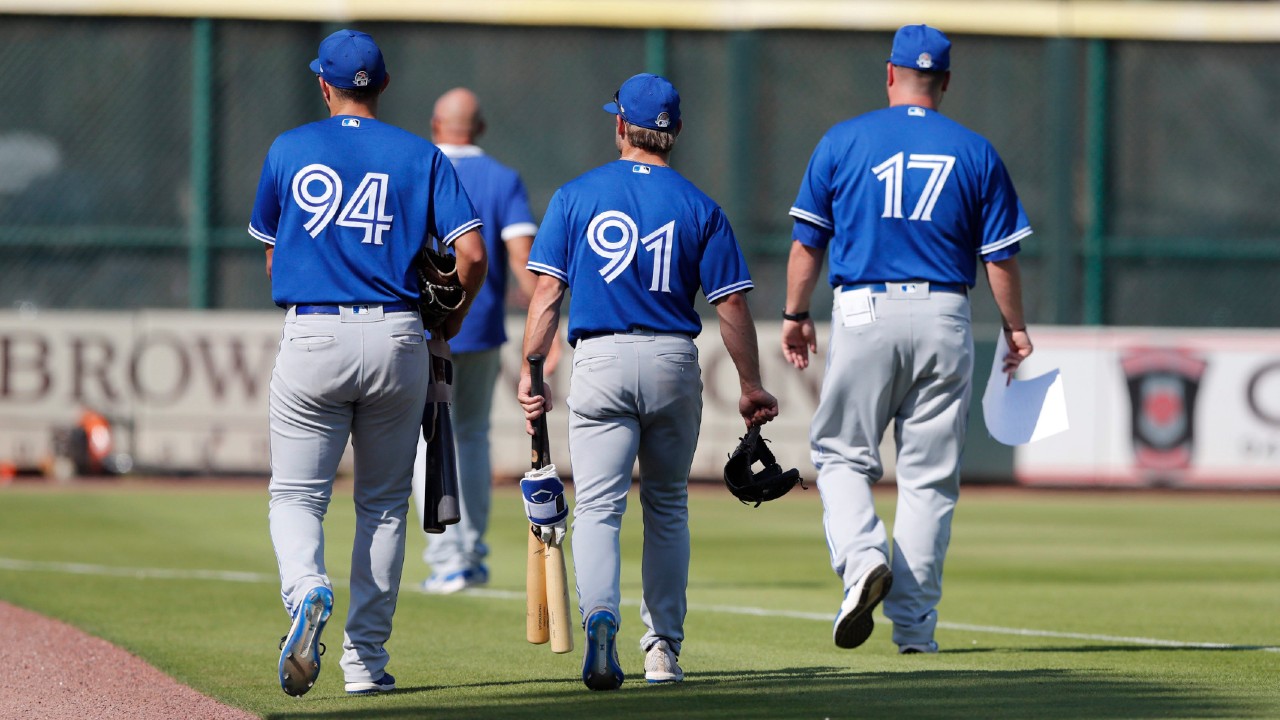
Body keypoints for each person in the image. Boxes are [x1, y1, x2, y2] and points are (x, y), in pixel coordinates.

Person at [518, 73, 779, 691]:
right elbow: (732, 306)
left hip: (602, 358)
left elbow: (548, 293)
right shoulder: (699, 205)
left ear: (619, 126)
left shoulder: (577, 195)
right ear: (676, 133)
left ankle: (600, 619)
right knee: (666, 510)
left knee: (600, 510)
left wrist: (532, 369)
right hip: (670, 359)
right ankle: (661, 648)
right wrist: (750, 385)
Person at [781, 25, 1034, 655]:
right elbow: (999, 258)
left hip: (865, 307)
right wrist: (1016, 328)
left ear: (890, 74)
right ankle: (915, 632)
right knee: (929, 480)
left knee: (841, 455)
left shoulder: (844, 139)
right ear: (945, 82)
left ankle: (864, 557)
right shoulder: (976, 151)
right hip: (947, 311)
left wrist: (794, 312)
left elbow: (808, 241)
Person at [248, 29, 487, 697]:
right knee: (382, 505)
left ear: (324, 84)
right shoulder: (423, 154)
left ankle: (307, 592)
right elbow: (470, 256)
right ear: (381, 86)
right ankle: (365, 666)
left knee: (297, 496)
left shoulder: (289, 148)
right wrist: (450, 320)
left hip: (315, 330)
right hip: (397, 336)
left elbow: (272, 253)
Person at [410, 88, 547, 594]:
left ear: (434, 124)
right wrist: (544, 324)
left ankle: (446, 556)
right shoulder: (503, 177)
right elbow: (520, 255)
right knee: (471, 436)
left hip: (425, 323)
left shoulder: (417, 165)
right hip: (482, 322)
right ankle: (471, 553)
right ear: (480, 128)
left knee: (429, 437)